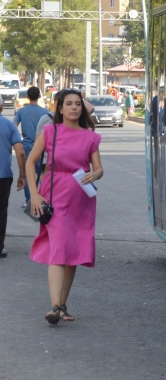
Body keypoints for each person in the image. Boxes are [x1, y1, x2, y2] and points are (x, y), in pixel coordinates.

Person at [26, 88, 103, 325]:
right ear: (60, 109)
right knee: (59, 248)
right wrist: (35, 195)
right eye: (68, 104)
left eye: (77, 104)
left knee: (73, 250)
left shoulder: (90, 136)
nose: (74, 108)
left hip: (81, 198)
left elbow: (98, 168)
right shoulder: (50, 132)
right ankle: (54, 306)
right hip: (54, 195)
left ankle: (61, 304)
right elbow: (30, 162)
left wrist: (96, 174)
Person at [14, 87, 49, 208]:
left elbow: (14, 126)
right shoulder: (45, 112)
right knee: (42, 174)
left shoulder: (21, 111)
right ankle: (44, 198)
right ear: (39, 96)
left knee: (29, 173)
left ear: (28, 97)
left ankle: (29, 200)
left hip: (27, 145)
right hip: (42, 146)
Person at [0, 101, 26, 258]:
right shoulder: (9, 125)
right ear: (2, 107)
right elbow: (20, 151)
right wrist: (22, 175)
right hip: (3, 176)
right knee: (1, 211)